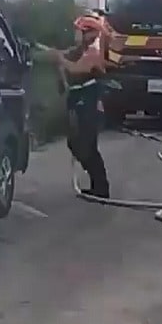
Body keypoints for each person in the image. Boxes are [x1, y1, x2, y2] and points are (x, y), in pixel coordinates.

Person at [42, 14, 111, 198]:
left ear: (89, 33)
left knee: (87, 145)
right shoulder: (80, 49)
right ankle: (98, 185)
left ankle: (101, 188)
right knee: (76, 143)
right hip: (79, 103)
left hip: (90, 105)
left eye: (79, 31)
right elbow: (67, 57)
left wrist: (60, 60)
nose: (76, 34)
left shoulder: (93, 52)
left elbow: (76, 69)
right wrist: (55, 55)